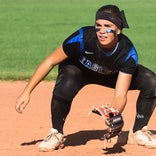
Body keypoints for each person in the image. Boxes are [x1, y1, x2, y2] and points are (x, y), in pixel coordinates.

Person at [15, 4, 156, 151]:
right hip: (79, 70)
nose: (101, 31)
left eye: (108, 26)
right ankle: (56, 132)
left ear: (118, 29)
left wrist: (113, 116)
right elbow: (50, 61)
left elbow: (120, 94)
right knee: (66, 84)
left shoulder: (127, 52)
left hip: (110, 75)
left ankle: (138, 132)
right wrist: (27, 91)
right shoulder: (82, 37)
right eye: (98, 25)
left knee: (152, 82)